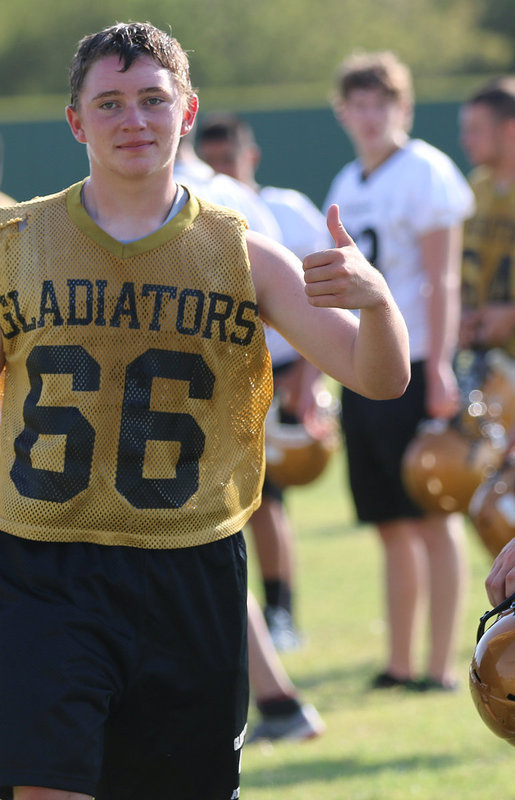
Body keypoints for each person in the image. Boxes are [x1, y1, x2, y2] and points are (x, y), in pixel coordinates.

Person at [0, 22, 409, 800]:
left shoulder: (241, 253)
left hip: (191, 569)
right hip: (45, 565)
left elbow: (376, 378)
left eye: (152, 99)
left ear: (186, 113)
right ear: (76, 121)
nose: (132, 120)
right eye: (108, 103)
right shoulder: (12, 244)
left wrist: (378, 304)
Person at [325, 50, 474, 691]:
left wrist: (440, 363)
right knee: (388, 522)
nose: (369, 115)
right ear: (342, 112)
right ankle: (400, 661)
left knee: (432, 516)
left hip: (414, 360)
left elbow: (442, 278)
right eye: (358, 104)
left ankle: (440, 665)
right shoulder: (346, 182)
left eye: (381, 103)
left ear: (403, 108)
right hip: (364, 364)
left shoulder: (426, 171)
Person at [190, 112, 326, 742]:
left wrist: (299, 379)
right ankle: (274, 701)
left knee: (206, 547)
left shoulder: (218, 202)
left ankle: (269, 700)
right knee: (210, 549)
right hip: (199, 405)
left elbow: (281, 297)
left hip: (195, 409)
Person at [458, 77, 515, 431]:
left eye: (476, 129)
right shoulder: (473, 188)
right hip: (488, 367)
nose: (467, 140)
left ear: (510, 129)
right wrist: (461, 316)